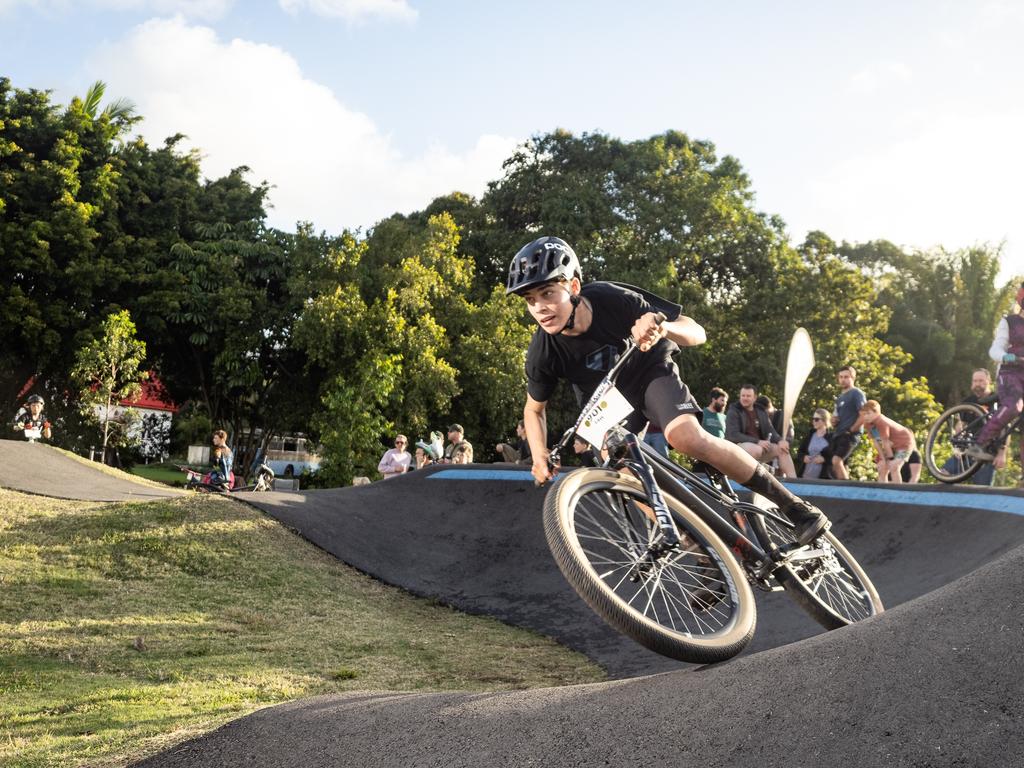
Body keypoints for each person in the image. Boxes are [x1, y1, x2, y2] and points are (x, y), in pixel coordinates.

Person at [507, 235, 829, 546]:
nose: (540, 308)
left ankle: (794, 507)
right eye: (530, 300)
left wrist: (663, 328)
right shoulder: (543, 351)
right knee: (619, 470)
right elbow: (533, 410)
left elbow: (696, 331)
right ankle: (698, 552)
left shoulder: (612, 298)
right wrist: (539, 456)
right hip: (608, 403)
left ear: (573, 287)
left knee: (684, 437)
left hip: (648, 371)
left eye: (548, 293)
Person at [968, 284, 1024, 463]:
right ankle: (979, 443)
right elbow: (995, 350)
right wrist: (1007, 357)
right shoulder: (1009, 321)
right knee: (1015, 406)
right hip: (1010, 374)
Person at [725, 385, 797, 477]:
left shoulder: (760, 411)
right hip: (738, 447)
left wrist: (780, 441)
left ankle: (794, 482)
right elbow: (733, 435)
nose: (745, 398)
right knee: (757, 449)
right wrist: (757, 441)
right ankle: (746, 477)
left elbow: (770, 430)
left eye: (748, 396)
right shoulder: (734, 411)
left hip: (759, 446)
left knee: (782, 449)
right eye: (743, 396)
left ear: (755, 398)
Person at [853, 400, 916, 484]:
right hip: (891, 445)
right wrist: (883, 458)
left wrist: (890, 459)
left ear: (876, 413)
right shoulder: (867, 424)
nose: (866, 417)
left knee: (894, 466)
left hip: (905, 444)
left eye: (868, 413)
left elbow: (885, 441)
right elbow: (876, 441)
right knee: (881, 467)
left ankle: (898, 492)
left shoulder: (882, 422)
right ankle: (882, 491)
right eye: (864, 414)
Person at [830, 366, 867, 480]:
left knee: (836, 460)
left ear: (853, 378)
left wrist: (851, 430)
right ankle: (845, 492)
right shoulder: (840, 397)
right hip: (838, 434)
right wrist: (834, 421)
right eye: (841, 377)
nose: (843, 379)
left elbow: (864, 414)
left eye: (846, 377)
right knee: (842, 465)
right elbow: (836, 418)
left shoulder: (856, 393)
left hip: (849, 435)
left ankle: (844, 488)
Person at [796, 408, 833, 479]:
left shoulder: (831, 438)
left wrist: (824, 459)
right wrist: (803, 457)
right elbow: (800, 452)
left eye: (816, 419)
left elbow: (835, 458)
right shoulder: (810, 435)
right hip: (804, 477)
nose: (813, 421)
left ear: (824, 420)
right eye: (813, 419)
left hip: (822, 480)